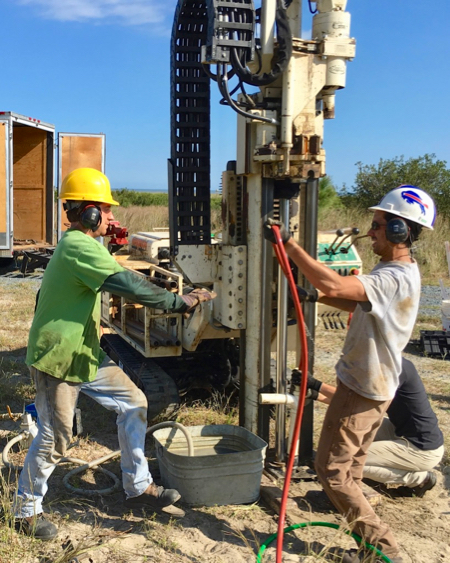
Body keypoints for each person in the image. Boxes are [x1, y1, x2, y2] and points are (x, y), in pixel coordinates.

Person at [13, 168, 215, 541]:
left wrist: (113, 243)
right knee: (55, 437)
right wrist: (179, 301)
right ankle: (25, 510)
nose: (110, 217)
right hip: (60, 355)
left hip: (85, 350)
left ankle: (138, 486)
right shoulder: (77, 246)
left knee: (133, 401)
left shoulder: (84, 246)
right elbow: (124, 282)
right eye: (105, 211)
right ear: (89, 213)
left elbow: (109, 272)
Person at [264, 185, 437, 563]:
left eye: (378, 225)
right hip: (372, 386)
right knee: (351, 472)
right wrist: (314, 296)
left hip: (363, 389)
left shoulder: (393, 276)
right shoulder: (398, 271)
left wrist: (292, 246)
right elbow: (356, 301)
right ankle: (368, 545)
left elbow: (334, 283)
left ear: (399, 231)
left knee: (332, 471)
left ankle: (382, 549)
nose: (370, 231)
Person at [303, 358, 444, 495]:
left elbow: (355, 402)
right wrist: (317, 395)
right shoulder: (389, 363)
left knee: (348, 461)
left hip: (422, 449)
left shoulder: (396, 370)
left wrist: (316, 385)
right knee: (351, 428)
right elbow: (355, 406)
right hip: (400, 432)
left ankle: (419, 478)